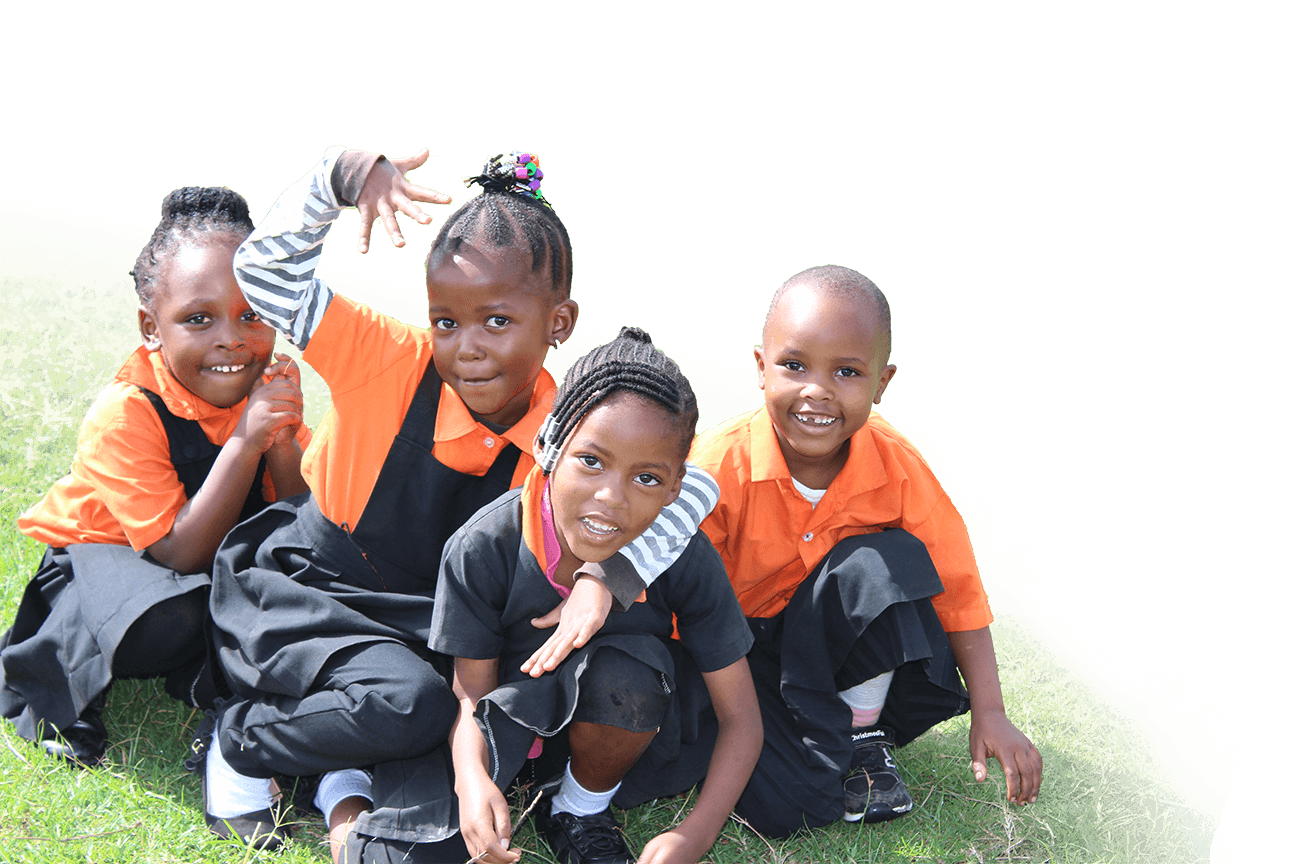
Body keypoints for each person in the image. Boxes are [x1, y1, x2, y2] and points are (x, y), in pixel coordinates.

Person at [203, 147, 721, 860]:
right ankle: (241, 741)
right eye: (446, 321)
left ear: (559, 323)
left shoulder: (561, 425)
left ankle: (342, 769)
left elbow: (694, 482)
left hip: (446, 620)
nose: (466, 348)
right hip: (320, 586)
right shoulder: (379, 353)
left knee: (440, 720)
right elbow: (261, 274)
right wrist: (339, 177)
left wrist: (611, 576)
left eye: (498, 322)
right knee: (410, 703)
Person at [688, 264, 1043, 837]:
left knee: (887, 564)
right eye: (794, 365)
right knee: (790, 809)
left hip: (830, 649)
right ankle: (755, 736)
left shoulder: (897, 465)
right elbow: (678, 594)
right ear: (760, 366)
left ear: (882, 382)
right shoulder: (716, 465)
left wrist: (992, 712)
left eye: (847, 372)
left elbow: (958, 589)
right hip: (735, 653)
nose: (817, 391)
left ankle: (861, 735)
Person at [0, 186, 309, 770]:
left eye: (253, 314)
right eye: (198, 318)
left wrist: (282, 440)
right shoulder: (127, 410)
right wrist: (246, 440)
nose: (231, 337)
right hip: (107, 558)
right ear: (151, 327)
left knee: (275, 595)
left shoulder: (266, 395)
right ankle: (56, 675)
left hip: (199, 558)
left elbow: (298, 523)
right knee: (175, 620)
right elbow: (177, 552)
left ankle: (230, 706)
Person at [435, 327, 761, 864]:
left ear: (677, 487)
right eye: (591, 461)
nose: (612, 498)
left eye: (648, 478)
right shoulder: (482, 546)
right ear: (549, 445)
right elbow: (471, 693)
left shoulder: (681, 553)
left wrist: (695, 834)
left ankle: (580, 807)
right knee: (421, 841)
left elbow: (742, 719)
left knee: (628, 678)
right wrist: (472, 781)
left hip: (621, 734)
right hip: (510, 725)